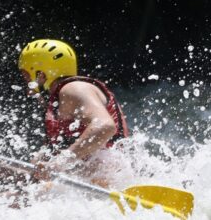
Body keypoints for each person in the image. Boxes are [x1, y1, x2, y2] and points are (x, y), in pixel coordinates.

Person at [17, 39, 128, 182]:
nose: (26, 83)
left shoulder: (73, 89)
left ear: (41, 75)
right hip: (88, 181)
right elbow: (48, 154)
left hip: (108, 180)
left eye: (26, 76)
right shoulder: (58, 101)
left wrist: (58, 164)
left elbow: (105, 127)